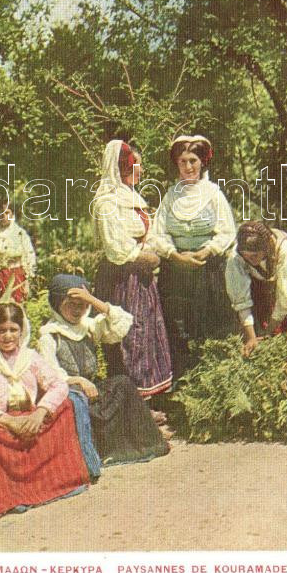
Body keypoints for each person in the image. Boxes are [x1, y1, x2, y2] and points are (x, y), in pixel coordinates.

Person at [0, 302, 90, 519]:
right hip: (3, 425)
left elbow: (58, 384)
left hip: (32, 420)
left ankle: (55, 479)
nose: (8, 336)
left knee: (70, 401)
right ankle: (5, 491)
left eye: (13, 330)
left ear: (22, 330)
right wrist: (5, 420)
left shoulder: (30, 357)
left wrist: (41, 412)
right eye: (1, 331)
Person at [38, 274, 171, 465]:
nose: (78, 310)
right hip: (69, 394)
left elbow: (122, 321)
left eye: (82, 304)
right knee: (79, 400)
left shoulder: (88, 327)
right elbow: (50, 376)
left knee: (123, 383)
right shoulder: (49, 335)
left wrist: (92, 300)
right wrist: (78, 381)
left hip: (91, 390)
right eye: (72, 304)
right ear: (57, 302)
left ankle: (147, 443)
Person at [92, 140, 173, 403]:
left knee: (146, 335)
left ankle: (147, 402)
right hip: (121, 279)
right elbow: (116, 249)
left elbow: (148, 235)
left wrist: (166, 253)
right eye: (137, 165)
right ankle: (133, 406)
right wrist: (145, 256)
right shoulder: (107, 203)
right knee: (128, 335)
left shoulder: (131, 198)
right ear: (123, 167)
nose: (142, 170)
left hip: (141, 278)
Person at [151, 135, 237, 379]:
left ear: (202, 162)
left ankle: (211, 381)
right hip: (176, 274)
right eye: (182, 162)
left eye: (193, 161)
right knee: (177, 330)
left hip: (207, 271)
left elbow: (227, 231)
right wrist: (174, 255)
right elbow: (158, 234)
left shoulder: (213, 194)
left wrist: (206, 250)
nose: (188, 167)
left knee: (207, 328)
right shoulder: (170, 196)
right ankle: (181, 381)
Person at [225, 220, 287, 357]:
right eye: (246, 257)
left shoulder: (284, 250)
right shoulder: (236, 258)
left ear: (265, 249)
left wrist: (267, 332)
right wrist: (251, 337)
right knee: (257, 330)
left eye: (254, 256)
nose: (250, 260)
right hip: (260, 283)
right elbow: (241, 299)